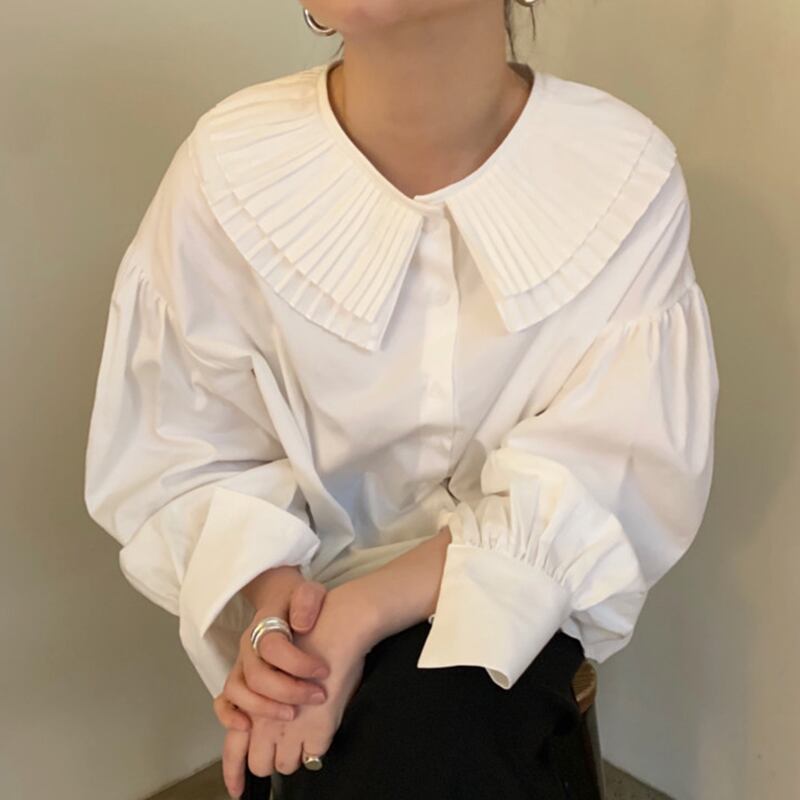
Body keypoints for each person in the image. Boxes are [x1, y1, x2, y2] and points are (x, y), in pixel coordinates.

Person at [83, 1, 720, 798]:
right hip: (307, 589)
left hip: (506, 594)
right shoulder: (230, 168)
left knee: (431, 730)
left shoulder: (619, 174)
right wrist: (281, 616)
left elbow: (606, 475)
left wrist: (363, 612)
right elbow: (188, 443)